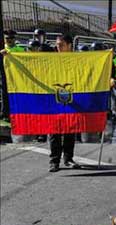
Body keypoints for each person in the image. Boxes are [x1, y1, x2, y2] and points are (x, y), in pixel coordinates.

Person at [48, 34, 80, 172]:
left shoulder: (77, 60)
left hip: (71, 97)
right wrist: (10, 56)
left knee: (69, 130)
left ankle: (68, 159)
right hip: (54, 98)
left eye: (61, 45)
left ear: (69, 46)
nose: (58, 47)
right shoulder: (51, 59)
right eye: (57, 45)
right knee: (54, 131)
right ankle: (54, 161)